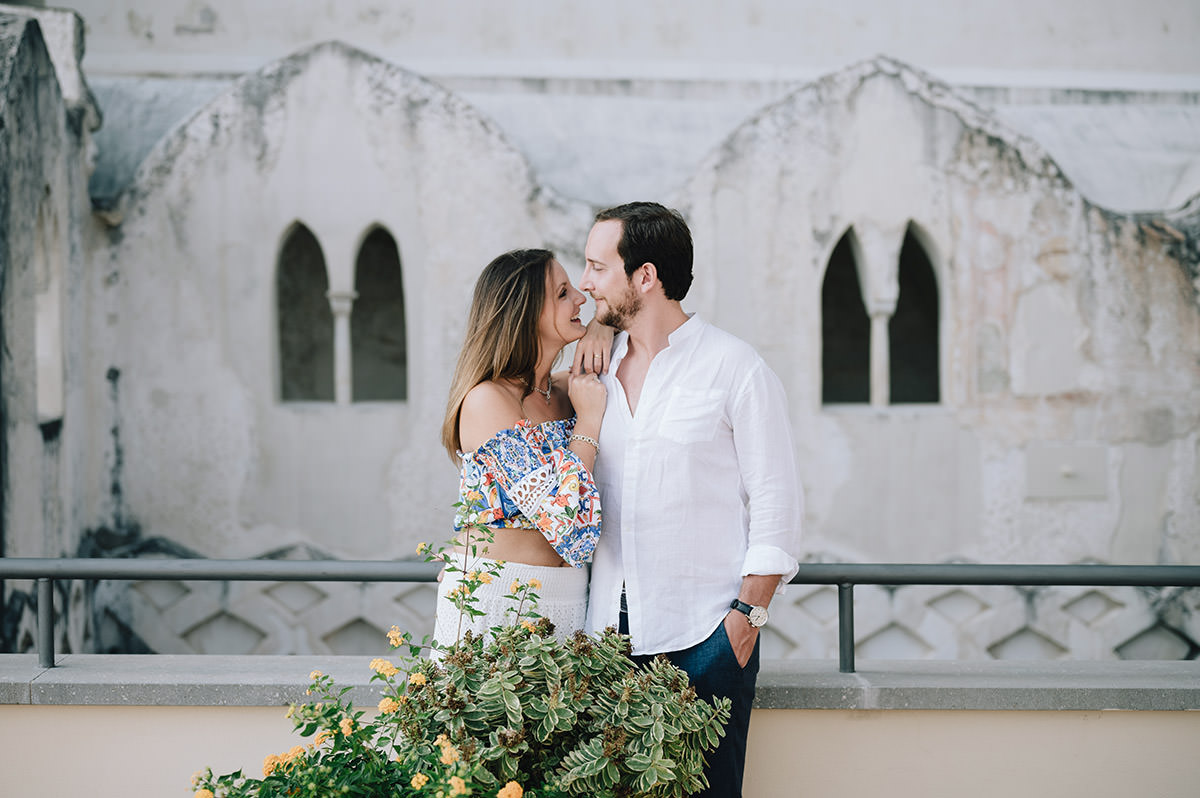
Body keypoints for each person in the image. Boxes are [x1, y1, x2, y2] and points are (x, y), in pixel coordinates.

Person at [579, 203, 803, 797]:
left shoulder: (737, 369)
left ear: (644, 277)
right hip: (603, 642)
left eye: (598, 267)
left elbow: (776, 503)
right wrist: (601, 323)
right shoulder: (592, 372)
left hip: (705, 637)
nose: (585, 282)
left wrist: (744, 621)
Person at [435, 248, 608, 656]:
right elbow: (569, 523)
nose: (581, 298)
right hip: (494, 598)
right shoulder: (488, 401)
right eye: (563, 293)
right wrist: (588, 422)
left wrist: (603, 326)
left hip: (568, 598)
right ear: (526, 312)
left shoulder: (569, 390)